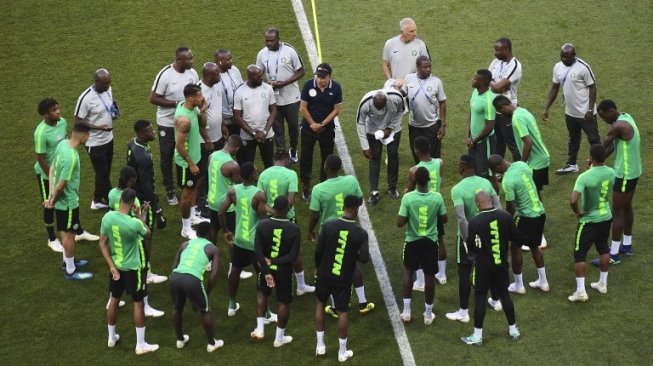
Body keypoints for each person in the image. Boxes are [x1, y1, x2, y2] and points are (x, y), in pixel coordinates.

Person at [308, 155, 374, 316]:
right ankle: (363, 302)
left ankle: (336, 307)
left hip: (330, 231)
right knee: (352, 263)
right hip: (349, 227)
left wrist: (310, 230)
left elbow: (315, 214)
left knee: (329, 266)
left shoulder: (318, 189)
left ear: (325, 167)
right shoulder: (351, 181)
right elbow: (359, 200)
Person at [99, 188, 159, 354]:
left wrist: (111, 265)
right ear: (133, 204)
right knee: (138, 304)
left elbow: (102, 244)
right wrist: (139, 215)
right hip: (133, 269)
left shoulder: (108, 217)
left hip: (116, 268)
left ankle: (111, 337)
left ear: (120, 201)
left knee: (114, 301)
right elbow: (147, 233)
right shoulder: (134, 224)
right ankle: (140, 345)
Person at [34, 98, 97, 252]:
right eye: (54, 110)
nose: (58, 112)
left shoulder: (62, 122)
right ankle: (52, 239)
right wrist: (52, 178)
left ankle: (78, 232)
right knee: (50, 204)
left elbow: (66, 143)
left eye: (57, 108)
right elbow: (40, 158)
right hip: (46, 173)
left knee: (71, 201)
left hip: (61, 170)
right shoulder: (40, 133)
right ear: (45, 115)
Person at [446, 155, 502, 322]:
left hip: (469, 234)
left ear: (462, 168)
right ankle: (496, 300)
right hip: (489, 233)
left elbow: (461, 218)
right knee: (491, 266)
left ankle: (463, 312)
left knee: (464, 271)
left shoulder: (457, 189)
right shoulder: (486, 183)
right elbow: (498, 207)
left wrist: (466, 240)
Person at [460, 191, 522, 345]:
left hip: (483, 267)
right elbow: (515, 236)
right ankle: (513, 330)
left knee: (480, 297)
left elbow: (472, 247)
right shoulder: (505, 216)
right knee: (505, 295)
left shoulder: (475, 221)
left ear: (478, 204)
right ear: (491, 201)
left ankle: (477, 336)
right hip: (501, 265)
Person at [314, 195, 369, 362]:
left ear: (344, 207)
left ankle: (320, 346)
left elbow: (318, 251)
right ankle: (342, 352)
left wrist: (317, 267)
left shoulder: (328, 225)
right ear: (356, 208)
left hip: (324, 274)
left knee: (320, 304)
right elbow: (364, 258)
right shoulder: (360, 233)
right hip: (342, 278)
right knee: (343, 311)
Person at [489, 155, 549, 294]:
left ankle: (518, 285)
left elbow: (511, 207)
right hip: (540, 212)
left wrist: (506, 223)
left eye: (495, 171)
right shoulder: (522, 165)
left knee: (515, 247)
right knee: (535, 246)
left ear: (498, 168)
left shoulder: (507, 181)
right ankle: (543, 282)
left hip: (526, 217)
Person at [258, 150, 314, 295]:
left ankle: (267, 282)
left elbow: (260, 202)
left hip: (269, 221)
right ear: (286, 159)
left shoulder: (264, 174)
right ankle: (300, 286)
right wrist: (280, 213)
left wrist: (272, 212)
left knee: (267, 251)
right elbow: (290, 201)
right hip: (287, 219)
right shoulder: (291, 174)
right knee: (295, 252)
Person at [218, 162, 270, 318]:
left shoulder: (233, 191)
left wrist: (226, 231)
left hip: (239, 240)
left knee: (235, 270)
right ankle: (266, 313)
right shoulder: (259, 194)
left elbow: (221, 213)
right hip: (255, 243)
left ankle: (232, 304)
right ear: (254, 176)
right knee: (262, 274)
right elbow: (264, 221)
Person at [592, 99, 641, 263]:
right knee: (627, 207)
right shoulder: (627, 118)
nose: (604, 120)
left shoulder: (617, 126)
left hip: (625, 174)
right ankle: (626, 245)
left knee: (617, 211)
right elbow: (612, 146)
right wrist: (598, 162)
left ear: (611, 111)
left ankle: (613, 254)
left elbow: (603, 146)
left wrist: (592, 161)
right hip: (634, 171)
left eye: (604, 117)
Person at [397, 167, 447, 325]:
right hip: (430, 242)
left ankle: (406, 311)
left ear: (415, 181)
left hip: (412, 240)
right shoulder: (437, 197)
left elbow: (399, 223)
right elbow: (444, 219)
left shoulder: (408, 198)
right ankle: (428, 314)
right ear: (429, 180)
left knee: (408, 271)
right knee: (430, 276)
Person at [44, 122, 93, 280]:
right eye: (89, 136)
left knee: (65, 231)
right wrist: (52, 200)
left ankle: (68, 261)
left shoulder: (63, 144)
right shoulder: (71, 157)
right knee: (69, 235)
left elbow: (52, 169)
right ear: (83, 136)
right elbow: (61, 185)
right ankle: (70, 270)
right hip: (69, 203)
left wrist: (51, 197)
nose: (89, 138)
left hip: (60, 202)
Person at [150, 47, 199, 205]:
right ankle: (169, 189)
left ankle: (183, 183)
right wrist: (176, 104)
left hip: (188, 123)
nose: (192, 61)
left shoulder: (193, 73)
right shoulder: (165, 75)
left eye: (192, 58)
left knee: (187, 152)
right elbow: (154, 98)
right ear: (179, 59)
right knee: (167, 155)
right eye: (189, 59)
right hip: (167, 124)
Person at [543, 43, 600, 175]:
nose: (564, 59)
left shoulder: (583, 67)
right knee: (573, 138)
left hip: (585, 112)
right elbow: (555, 87)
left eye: (567, 57)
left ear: (574, 55)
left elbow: (592, 88)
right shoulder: (557, 67)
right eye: (562, 56)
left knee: (593, 139)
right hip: (570, 111)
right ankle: (572, 164)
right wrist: (547, 108)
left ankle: (596, 165)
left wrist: (590, 110)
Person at [108, 165, 167, 291]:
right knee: (140, 264)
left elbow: (112, 210)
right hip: (132, 234)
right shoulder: (133, 200)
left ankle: (113, 297)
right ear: (130, 180)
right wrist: (143, 212)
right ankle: (146, 281)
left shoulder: (112, 193)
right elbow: (140, 224)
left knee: (118, 262)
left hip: (116, 233)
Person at [568, 144, 615, 302]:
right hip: (606, 216)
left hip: (589, 220)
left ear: (591, 157)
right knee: (603, 247)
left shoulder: (585, 177)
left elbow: (573, 199)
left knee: (580, 253)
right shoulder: (611, 172)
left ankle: (581, 292)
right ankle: (602, 284)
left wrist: (577, 211)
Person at [251, 196, 300, 346]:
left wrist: (266, 271)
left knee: (262, 293)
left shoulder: (263, 225)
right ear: (287, 209)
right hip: (284, 271)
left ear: (273, 207)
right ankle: (279, 339)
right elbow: (293, 256)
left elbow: (257, 252)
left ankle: (260, 329)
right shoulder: (294, 229)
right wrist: (276, 261)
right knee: (284, 302)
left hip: (266, 269)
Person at [169, 221, 224, 352]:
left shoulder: (185, 244)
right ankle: (212, 343)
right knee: (205, 310)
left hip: (176, 277)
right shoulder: (213, 248)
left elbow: (174, 266)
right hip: (192, 280)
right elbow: (214, 274)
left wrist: (174, 279)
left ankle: (180, 339)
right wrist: (207, 293)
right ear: (210, 233)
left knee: (177, 308)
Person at [127, 119, 168, 285]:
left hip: (135, 194)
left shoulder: (133, 144)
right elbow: (145, 184)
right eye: (150, 131)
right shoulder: (142, 156)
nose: (153, 133)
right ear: (142, 134)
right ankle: (147, 271)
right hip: (144, 200)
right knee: (146, 235)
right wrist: (156, 208)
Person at [206, 135, 253, 280]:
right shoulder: (233, 165)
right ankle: (234, 268)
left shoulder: (212, 155)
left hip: (212, 200)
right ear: (237, 148)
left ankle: (208, 262)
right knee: (232, 236)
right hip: (227, 206)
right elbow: (238, 186)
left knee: (214, 230)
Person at [256, 27, 305, 161]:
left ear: (278, 39)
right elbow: (258, 74)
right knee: (278, 128)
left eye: (271, 41)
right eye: (267, 41)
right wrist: (267, 82)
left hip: (291, 97)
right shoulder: (262, 54)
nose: (269, 43)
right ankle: (281, 151)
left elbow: (301, 71)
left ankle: (294, 148)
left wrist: (284, 83)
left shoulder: (290, 51)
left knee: (293, 126)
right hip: (274, 99)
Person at [405, 136, 447, 288]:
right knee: (439, 239)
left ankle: (421, 281)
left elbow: (409, 190)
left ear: (416, 150)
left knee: (419, 242)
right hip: (436, 205)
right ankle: (442, 274)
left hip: (421, 207)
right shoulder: (440, 163)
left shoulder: (414, 170)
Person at [493, 95, 551, 203]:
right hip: (542, 157)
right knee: (535, 191)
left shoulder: (517, 118)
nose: (501, 115)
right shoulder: (523, 111)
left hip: (536, 162)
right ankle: (540, 213)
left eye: (500, 111)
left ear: (503, 107)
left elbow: (528, 143)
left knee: (531, 193)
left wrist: (522, 164)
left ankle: (538, 215)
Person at [75, 68, 118, 210]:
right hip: (94, 142)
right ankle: (114, 204)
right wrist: (98, 127)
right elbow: (78, 122)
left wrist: (114, 108)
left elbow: (108, 103)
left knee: (104, 172)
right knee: (103, 174)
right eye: (105, 83)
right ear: (97, 81)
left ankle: (97, 200)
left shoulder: (108, 89)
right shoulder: (86, 98)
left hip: (108, 138)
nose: (108, 86)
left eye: (109, 83)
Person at [299, 63, 342, 200]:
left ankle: (324, 183)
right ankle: (306, 186)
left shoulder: (335, 87)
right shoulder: (308, 85)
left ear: (329, 77)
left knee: (327, 156)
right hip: (309, 128)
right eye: (318, 77)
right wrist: (313, 124)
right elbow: (303, 108)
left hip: (326, 128)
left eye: (323, 78)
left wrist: (322, 124)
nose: (320, 80)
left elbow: (336, 109)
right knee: (306, 156)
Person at [174, 83, 212, 239]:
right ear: (190, 98)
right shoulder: (184, 120)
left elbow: (203, 123)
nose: (201, 97)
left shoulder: (192, 108)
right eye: (198, 96)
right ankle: (186, 227)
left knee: (195, 187)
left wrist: (202, 110)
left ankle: (193, 215)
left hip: (196, 156)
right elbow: (179, 145)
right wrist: (191, 164)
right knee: (186, 195)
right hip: (186, 163)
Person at [355, 89, 405, 204]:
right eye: (377, 107)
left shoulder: (396, 97)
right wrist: (365, 146)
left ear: (387, 101)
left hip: (393, 128)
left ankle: (392, 188)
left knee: (393, 155)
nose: (379, 110)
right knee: (374, 158)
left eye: (381, 107)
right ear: (372, 102)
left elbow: (400, 111)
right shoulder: (365, 103)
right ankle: (374, 192)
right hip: (373, 129)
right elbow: (360, 122)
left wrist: (390, 128)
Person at [196, 62, 227, 219]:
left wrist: (222, 126)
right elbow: (197, 120)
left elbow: (217, 109)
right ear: (208, 76)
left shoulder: (217, 86)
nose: (219, 75)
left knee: (214, 170)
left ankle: (212, 197)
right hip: (204, 141)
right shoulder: (198, 93)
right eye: (216, 74)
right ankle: (201, 205)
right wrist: (207, 140)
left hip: (218, 137)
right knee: (203, 173)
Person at [402, 56, 447, 161]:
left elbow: (442, 102)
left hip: (431, 125)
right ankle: (420, 176)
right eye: (425, 67)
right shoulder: (409, 78)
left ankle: (433, 177)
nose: (428, 69)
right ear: (417, 67)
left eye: (430, 66)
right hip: (414, 126)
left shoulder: (436, 82)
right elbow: (403, 93)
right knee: (416, 154)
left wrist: (443, 125)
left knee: (434, 156)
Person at [233, 65, 276, 168]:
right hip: (247, 135)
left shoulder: (268, 88)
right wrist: (253, 133)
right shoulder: (240, 92)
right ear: (250, 77)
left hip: (267, 133)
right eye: (258, 76)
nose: (261, 78)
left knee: (269, 162)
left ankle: (268, 182)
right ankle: (249, 183)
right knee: (247, 164)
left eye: (261, 75)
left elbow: (273, 111)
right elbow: (237, 116)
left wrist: (265, 131)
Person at [489, 37, 522, 161]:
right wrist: (495, 85)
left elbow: (497, 87)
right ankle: (499, 169)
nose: (495, 53)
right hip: (496, 109)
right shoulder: (496, 62)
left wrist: (494, 84)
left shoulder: (515, 65)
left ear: (506, 50)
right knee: (499, 141)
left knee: (513, 144)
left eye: (498, 50)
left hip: (507, 111)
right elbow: (487, 79)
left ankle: (520, 168)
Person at [382, 17, 430, 89]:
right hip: (395, 87)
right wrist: (390, 80)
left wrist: (405, 80)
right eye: (411, 31)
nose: (415, 34)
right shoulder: (390, 44)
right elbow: (385, 65)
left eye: (415, 30)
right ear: (402, 32)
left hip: (414, 86)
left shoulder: (420, 45)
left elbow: (426, 68)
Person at [466, 69, 496, 178]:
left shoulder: (489, 100)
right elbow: (470, 114)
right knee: (474, 171)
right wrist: (468, 136)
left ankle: (494, 195)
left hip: (484, 143)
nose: (472, 80)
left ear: (482, 82)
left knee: (487, 175)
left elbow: (489, 127)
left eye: (475, 79)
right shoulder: (475, 92)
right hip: (473, 141)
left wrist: (475, 140)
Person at [215, 48, 244, 136]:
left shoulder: (234, 69)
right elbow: (215, 103)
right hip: (225, 121)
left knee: (240, 144)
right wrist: (228, 117)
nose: (231, 61)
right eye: (228, 60)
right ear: (220, 62)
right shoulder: (213, 75)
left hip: (239, 115)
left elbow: (241, 88)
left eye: (231, 58)